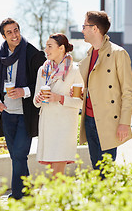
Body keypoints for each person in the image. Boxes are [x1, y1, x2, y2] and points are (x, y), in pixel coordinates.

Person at [0, 18, 46, 199]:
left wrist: (24, 91)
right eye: (9, 32)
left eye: (16, 30)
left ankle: (17, 194)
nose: (14, 35)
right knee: (16, 155)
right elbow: (0, 85)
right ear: (3, 36)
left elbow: (43, 83)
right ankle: (26, 190)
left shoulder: (32, 53)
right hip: (7, 112)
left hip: (26, 113)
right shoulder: (1, 55)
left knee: (20, 154)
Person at [78, 11, 132, 176]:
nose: (82, 30)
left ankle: (107, 201)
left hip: (108, 120)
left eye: (84, 26)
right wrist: (83, 93)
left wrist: (125, 122)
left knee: (106, 172)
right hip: (89, 119)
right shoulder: (89, 54)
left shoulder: (118, 53)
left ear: (94, 28)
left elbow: (128, 91)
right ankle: (100, 200)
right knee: (97, 169)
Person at [33, 33, 83, 176]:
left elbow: (81, 102)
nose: (46, 50)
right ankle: (61, 198)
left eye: (50, 46)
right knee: (53, 173)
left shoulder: (74, 70)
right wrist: (39, 98)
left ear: (61, 48)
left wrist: (59, 98)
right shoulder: (43, 70)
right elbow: (35, 103)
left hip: (64, 127)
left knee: (58, 173)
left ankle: (60, 198)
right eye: (45, 46)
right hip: (47, 125)